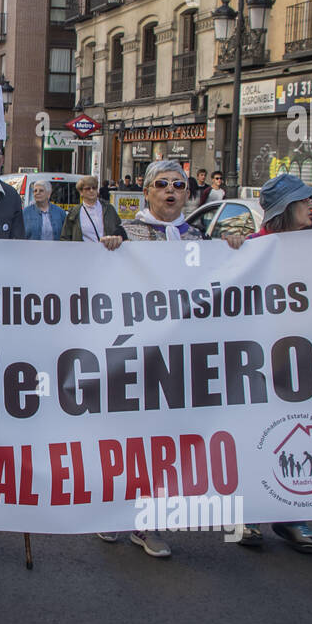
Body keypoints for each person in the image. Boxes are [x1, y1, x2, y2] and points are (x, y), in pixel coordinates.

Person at [94, 160, 244, 557]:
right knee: (128, 439)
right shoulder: (126, 233)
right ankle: (114, 511)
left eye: (179, 184)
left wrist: (231, 250)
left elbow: (220, 282)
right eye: (162, 184)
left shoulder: (197, 235)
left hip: (180, 357)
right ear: (147, 192)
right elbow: (102, 287)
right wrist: (108, 251)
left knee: (166, 441)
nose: (171, 191)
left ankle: (148, 523)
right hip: (135, 352)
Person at [234, 174, 312, 552]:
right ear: (288, 209)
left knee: (294, 433)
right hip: (257, 359)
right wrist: (231, 251)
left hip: (302, 360)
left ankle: (292, 515)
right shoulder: (252, 247)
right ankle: (247, 514)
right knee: (253, 432)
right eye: (305, 201)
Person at [60, 175, 127, 244]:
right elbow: (65, 238)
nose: (91, 191)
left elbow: (120, 230)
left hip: (107, 251)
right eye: (88, 188)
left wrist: (118, 238)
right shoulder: (74, 212)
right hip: (83, 252)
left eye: (94, 188)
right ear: (81, 192)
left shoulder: (109, 208)